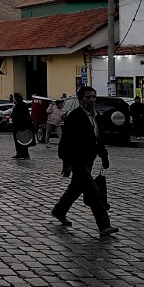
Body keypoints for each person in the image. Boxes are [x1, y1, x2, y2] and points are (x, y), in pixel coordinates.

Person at [52, 86, 119, 236]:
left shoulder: (97, 117)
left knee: (76, 188)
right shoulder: (73, 117)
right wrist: (67, 163)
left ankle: (59, 211)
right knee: (94, 192)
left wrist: (104, 156)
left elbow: (98, 139)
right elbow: (66, 142)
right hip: (77, 160)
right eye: (87, 97)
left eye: (93, 97)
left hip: (90, 159)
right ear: (80, 99)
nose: (91, 100)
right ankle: (104, 225)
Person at [10, 93, 32, 159]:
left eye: (14, 98)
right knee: (20, 140)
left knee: (21, 140)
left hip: (20, 127)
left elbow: (23, 117)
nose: (13, 99)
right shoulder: (19, 105)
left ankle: (22, 153)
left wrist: (22, 126)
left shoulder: (20, 106)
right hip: (18, 126)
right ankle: (21, 153)